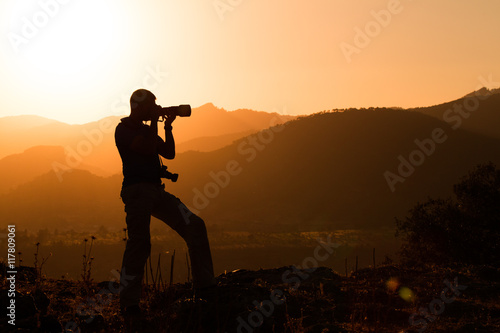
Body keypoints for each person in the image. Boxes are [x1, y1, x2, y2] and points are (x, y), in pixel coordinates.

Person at [115, 89, 216, 328]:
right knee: (140, 243)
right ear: (139, 107)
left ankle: (205, 286)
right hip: (137, 191)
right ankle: (129, 304)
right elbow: (144, 148)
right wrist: (153, 122)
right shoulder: (124, 129)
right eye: (151, 105)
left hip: (156, 190)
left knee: (195, 226)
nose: (155, 110)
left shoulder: (145, 128)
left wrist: (168, 127)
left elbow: (168, 153)